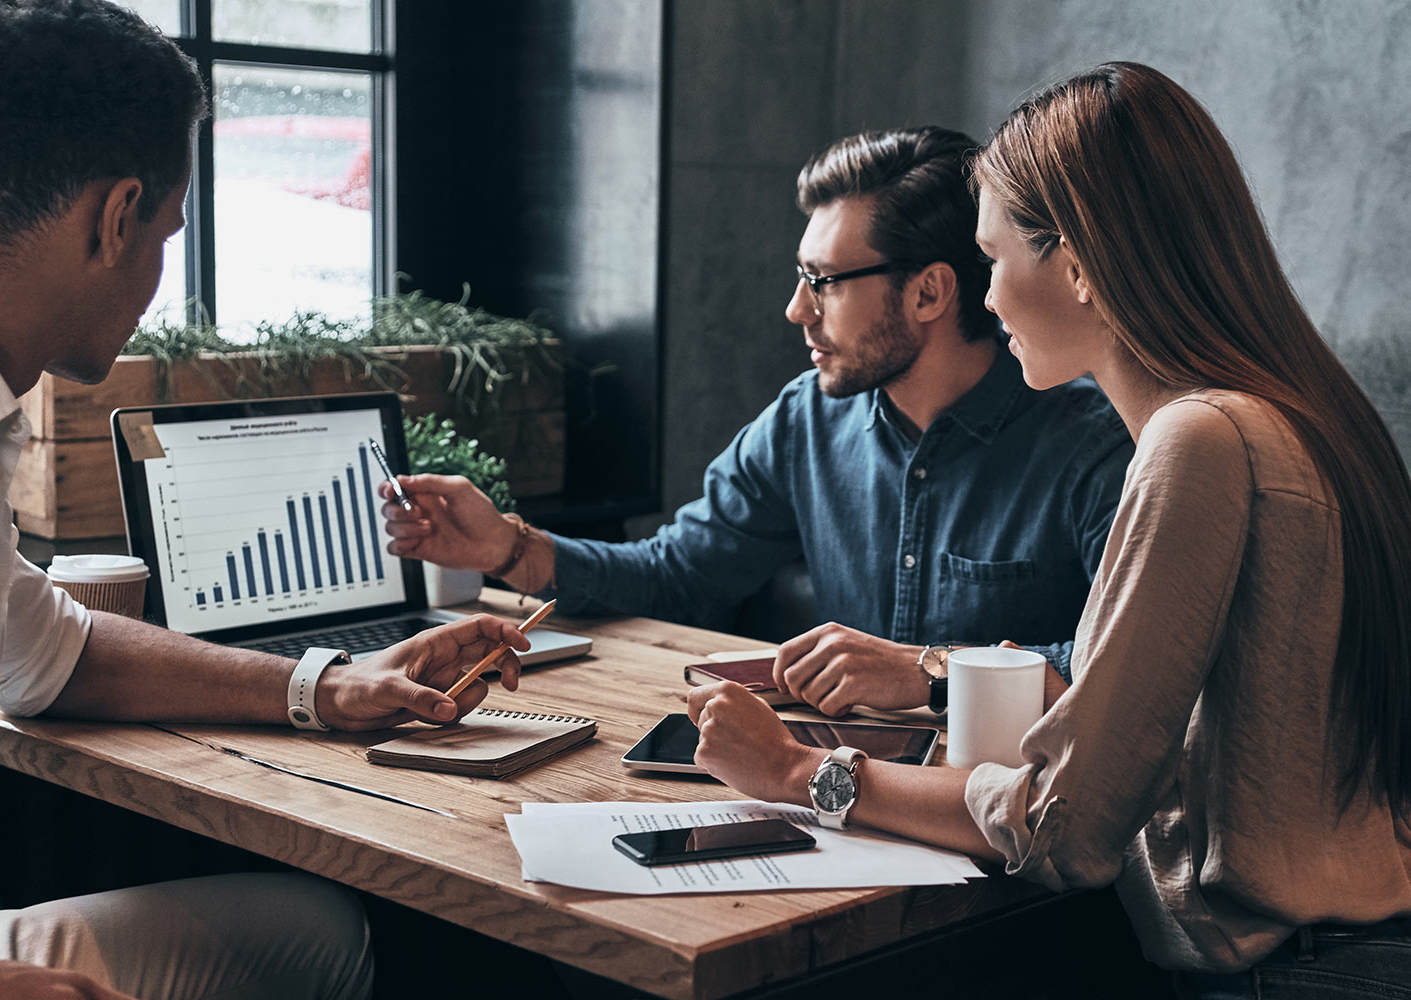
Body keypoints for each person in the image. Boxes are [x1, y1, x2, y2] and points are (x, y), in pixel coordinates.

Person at [0, 3, 531, 998]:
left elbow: (49, 650)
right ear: (115, 217)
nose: (158, 279)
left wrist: (328, 686)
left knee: (324, 934)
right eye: (167, 232)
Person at [687, 61, 1411, 995]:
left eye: (994, 261)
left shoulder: (1200, 439)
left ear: (1075, 264)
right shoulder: (1291, 412)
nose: (984, 299)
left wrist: (798, 769)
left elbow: (1066, 826)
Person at [382, 127, 1133, 715]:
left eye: (823, 283)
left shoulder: (1093, 449)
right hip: (837, 794)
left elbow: (1123, 673)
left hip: (1010, 828)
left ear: (929, 293)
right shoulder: (805, 421)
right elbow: (678, 576)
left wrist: (930, 669)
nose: (796, 309)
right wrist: (506, 545)